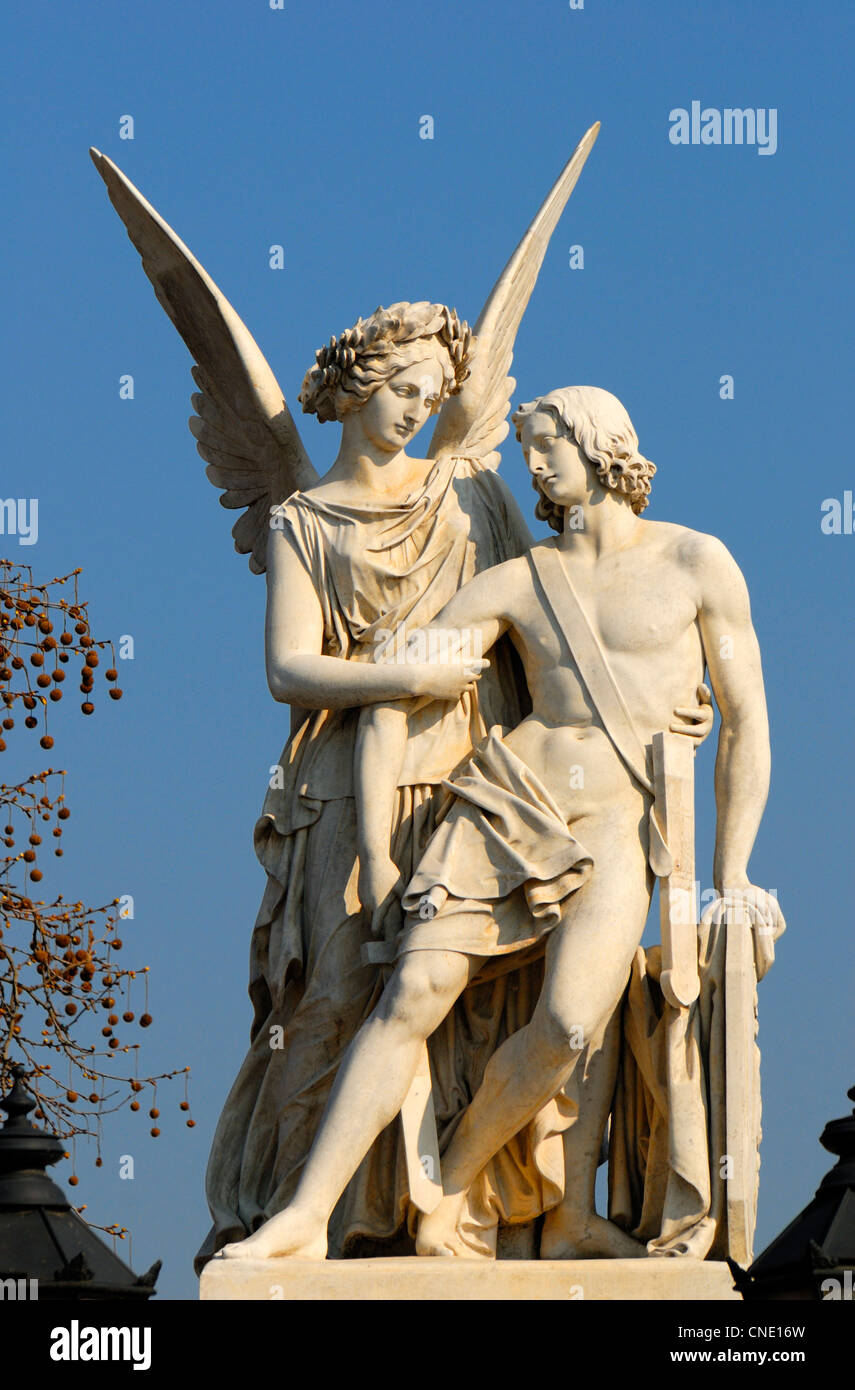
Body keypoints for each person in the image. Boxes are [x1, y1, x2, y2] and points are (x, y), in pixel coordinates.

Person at [217, 384, 768, 1262]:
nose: (535, 466)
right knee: (410, 997)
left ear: (601, 447)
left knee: (569, 1028)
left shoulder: (696, 563)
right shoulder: (517, 581)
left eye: (549, 445)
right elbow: (397, 690)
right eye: (529, 449)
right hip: (509, 806)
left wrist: (734, 874)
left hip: (619, 829)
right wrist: (375, 852)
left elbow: (745, 725)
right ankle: (302, 1218)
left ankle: (451, 1188)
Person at [195, 302, 538, 1267]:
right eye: (400, 392)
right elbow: (289, 670)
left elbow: (537, 623)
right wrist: (406, 677)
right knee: (336, 991)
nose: (416, 413)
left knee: (465, 990)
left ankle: (450, 1213)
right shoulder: (302, 518)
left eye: (432, 398)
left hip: (479, 765)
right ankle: (294, 1217)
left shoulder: (471, 496)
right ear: (355, 388)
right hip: (346, 780)